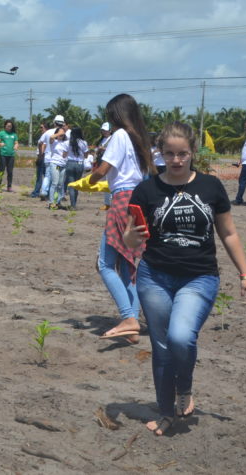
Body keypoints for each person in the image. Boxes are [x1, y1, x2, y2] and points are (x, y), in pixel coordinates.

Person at [124, 121, 246, 435]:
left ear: (193, 152)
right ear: (160, 154)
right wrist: (130, 237)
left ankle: (185, 386)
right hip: (154, 276)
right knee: (162, 346)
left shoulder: (210, 187)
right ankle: (166, 411)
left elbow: (229, 232)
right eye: (169, 153)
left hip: (199, 277)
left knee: (181, 337)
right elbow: (131, 239)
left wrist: (245, 274)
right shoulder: (147, 189)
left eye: (182, 153)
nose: (177, 160)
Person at [87, 93, 156, 342]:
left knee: (104, 264)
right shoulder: (141, 139)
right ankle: (132, 326)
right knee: (127, 264)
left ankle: (128, 316)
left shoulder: (119, 136)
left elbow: (104, 169)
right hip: (138, 200)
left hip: (122, 201)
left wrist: (90, 180)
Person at [63, 126, 88, 209]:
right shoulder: (84, 143)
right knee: (77, 185)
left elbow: (64, 154)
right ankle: (74, 204)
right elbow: (86, 155)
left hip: (70, 163)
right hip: (79, 164)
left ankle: (72, 204)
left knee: (71, 185)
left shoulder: (67, 142)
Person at [0, 119, 19, 192]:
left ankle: (9, 186)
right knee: (1, 170)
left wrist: (16, 146)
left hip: (11, 155)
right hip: (2, 154)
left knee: (10, 171)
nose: (9, 127)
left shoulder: (14, 134)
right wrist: (0, 144)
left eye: (10, 126)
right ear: (5, 126)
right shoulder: (1, 133)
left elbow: (16, 143)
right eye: (8, 126)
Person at [30, 122, 49, 198]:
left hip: (42, 157)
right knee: (46, 176)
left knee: (40, 176)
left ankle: (37, 192)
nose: (40, 129)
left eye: (42, 127)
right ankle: (44, 192)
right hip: (43, 157)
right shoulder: (46, 135)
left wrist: (40, 156)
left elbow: (43, 145)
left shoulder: (45, 135)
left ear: (46, 128)